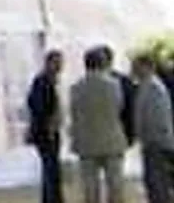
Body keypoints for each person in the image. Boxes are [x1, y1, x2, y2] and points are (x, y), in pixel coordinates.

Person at [71, 48, 128, 203]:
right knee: (115, 184)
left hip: (86, 142)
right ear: (103, 63)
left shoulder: (76, 87)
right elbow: (119, 107)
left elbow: (75, 114)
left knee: (90, 186)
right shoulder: (113, 85)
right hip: (112, 139)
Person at [133, 55, 174, 203]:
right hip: (151, 141)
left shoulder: (154, 87)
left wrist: (154, 138)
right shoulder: (146, 85)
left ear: (148, 67)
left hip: (156, 141)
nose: (134, 70)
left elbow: (159, 116)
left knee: (157, 182)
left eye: (137, 66)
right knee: (153, 181)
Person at [29, 51, 66, 203]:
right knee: (51, 169)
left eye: (61, 63)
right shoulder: (42, 82)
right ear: (48, 63)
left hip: (50, 131)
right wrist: (49, 125)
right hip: (46, 132)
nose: (60, 66)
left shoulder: (50, 81)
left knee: (51, 169)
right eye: (57, 62)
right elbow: (39, 107)